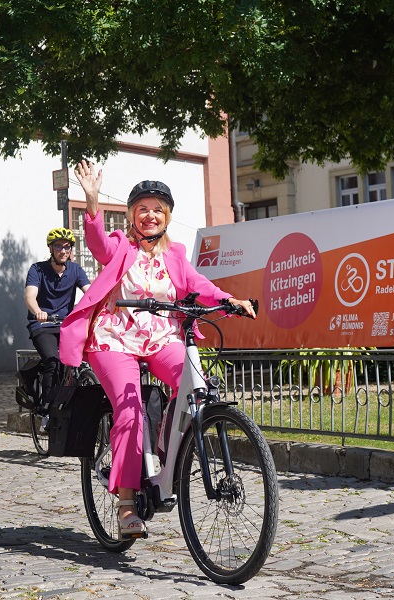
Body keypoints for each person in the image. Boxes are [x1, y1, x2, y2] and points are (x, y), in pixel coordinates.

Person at [61, 160, 256, 540]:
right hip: (114, 339)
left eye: (158, 210)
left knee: (197, 387)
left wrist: (230, 300)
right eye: (143, 209)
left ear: (166, 217)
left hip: (161, 338)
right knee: (130, 410)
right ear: (133, 215)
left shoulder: (176, 255)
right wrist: (92, 200)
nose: (150, 216)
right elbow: (98, 242)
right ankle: (127, 504)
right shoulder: (121, 246)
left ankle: (163, 456)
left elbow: (198, 285)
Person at [24, 227, 91, 405]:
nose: (63, 251)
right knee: (53, 361)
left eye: (67, 247)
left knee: (81, 361)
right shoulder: (37, 269)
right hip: (42, 325)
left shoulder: (76, 270)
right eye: (59, 247)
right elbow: (30, 296)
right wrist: (38, 311)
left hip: (66, 325)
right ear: (51, 249)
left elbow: (90, 293)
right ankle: (47, 408)